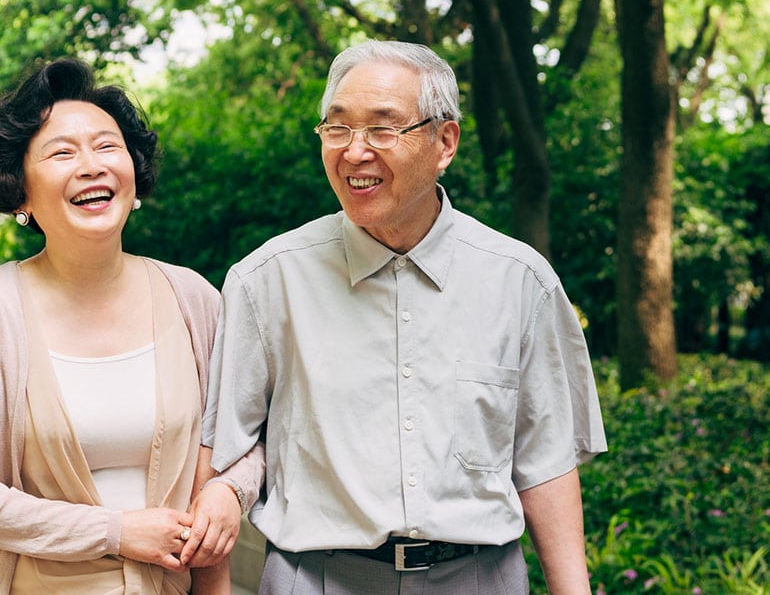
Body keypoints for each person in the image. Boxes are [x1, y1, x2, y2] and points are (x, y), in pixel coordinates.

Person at [204, 40, 607, 594]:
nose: (354, 151)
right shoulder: (266, 281)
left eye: (383, 128)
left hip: (480, 578)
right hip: (317, 578)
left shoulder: (520, 281)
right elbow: (226, 450)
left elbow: (546, 462)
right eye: (338, 128)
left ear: (445, 142)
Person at [0, 58, 262, 594]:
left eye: (107, 147)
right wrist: (116, 532)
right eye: (62, 152)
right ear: (21, 192)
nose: (91, 166)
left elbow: (246, 435)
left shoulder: (194, 298)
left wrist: (231, 493)